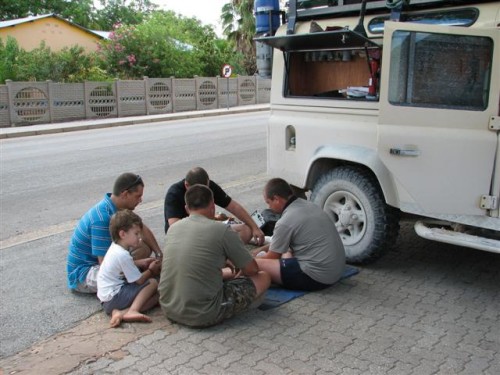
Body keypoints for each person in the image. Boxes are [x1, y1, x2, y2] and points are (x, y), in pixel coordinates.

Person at [159, 184, 271, 328]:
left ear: (187, 209)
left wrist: (224, 261)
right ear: (212, 206)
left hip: (169, 308)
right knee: (264, 277)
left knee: (225, 274)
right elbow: (252, 270)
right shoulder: (222, 230)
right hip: (203, 313)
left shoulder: (173, 228)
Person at [67, 173, 162, 294]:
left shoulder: (118, 207)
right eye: (137, 196)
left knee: (143, 246)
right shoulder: (102, 219)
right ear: (125, 194)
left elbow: (142, 228)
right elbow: (105, 265)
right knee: (140, 285)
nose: (140, 200)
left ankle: (134, 272)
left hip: (108, 260)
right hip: (85, 273)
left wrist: (159, 254)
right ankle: (123, 299)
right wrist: (147, 270)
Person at [253, 178, 346, 291]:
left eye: (268, 202)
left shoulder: (285, 222)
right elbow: (281, 245)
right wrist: (260, 249)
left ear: (276, 199)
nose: (268, 207)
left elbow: (271, 258)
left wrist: (252, 257)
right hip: (336, 270)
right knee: (285, 251)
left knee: (253, 264)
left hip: (316, 277)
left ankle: (227, 272)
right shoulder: (310, 206)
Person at [164, 167, 265, 245]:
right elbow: (174, 228)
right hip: (186, 237)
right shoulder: (174, 194)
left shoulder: (209, 186)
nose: (203, 193)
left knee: (246, 230)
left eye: (206, 189)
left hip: (208, 230)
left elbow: (233, 207)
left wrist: (255, 227)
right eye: (199, 191)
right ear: (187, 185)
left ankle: (222, 256)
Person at [97, 210, 161, 328]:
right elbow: (139, 281)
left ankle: (119, 312)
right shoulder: (123, 254)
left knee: (156, 298)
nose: (140, 238)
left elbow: (122, 265)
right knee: (152, 283)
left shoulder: (115, 247)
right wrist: (151, 270)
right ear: (123, 234)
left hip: (106, 300)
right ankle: (132, 310)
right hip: (114, 297)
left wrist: (140, 262)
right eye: (136, 234)